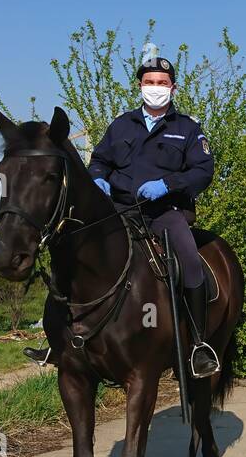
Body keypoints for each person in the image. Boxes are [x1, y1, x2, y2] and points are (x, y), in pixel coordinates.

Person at [87, 55, 220, 377]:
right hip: (118, 210)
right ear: (139, 86)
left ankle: (198, 345)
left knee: (189, 261)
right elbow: (99, 161)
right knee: (75, 250)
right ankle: (64, 338)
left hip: (164, 212)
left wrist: (168, 184)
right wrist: (97, 178)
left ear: (173, 88)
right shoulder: (121, 124)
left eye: (162, 83)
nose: (155, 88)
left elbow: (203, 171)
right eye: (149, 82)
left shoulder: (187, 128)